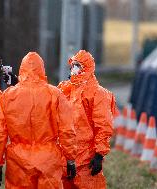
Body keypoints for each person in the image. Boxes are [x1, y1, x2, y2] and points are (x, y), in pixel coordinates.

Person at [0, 52, 77, 188]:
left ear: (21, 69)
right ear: (42, 69)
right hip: (48, 160)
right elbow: (67, 129)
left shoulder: (7, 96)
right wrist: (71, 159)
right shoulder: (55, 94)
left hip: (18, 161)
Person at [58, 50, 117, 189]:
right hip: (65, 156)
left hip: (86, 159)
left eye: (77, 65)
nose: (74, 68)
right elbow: (44, 97)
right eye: (72, 65)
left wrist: (99, 154)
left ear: (87, 67)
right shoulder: (66, 89)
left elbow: (103, 125)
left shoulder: (98, 93)